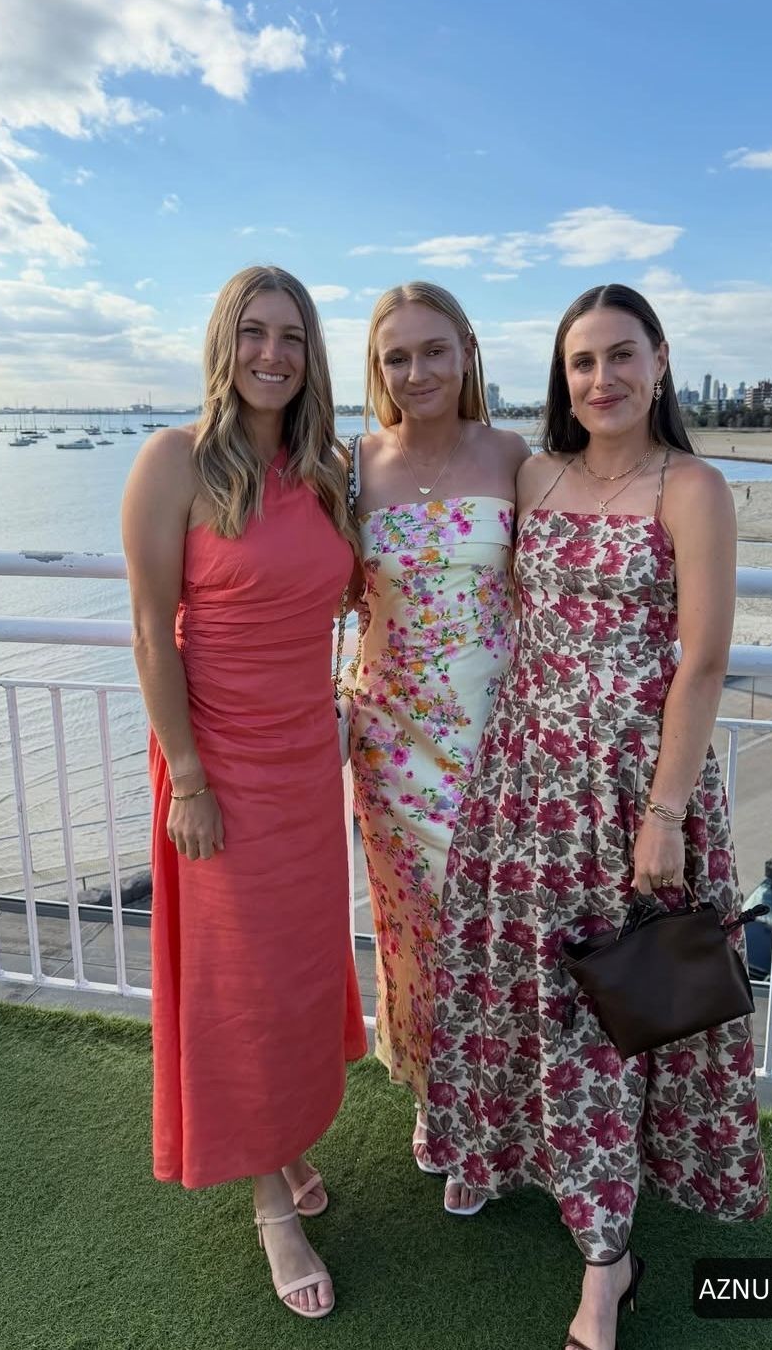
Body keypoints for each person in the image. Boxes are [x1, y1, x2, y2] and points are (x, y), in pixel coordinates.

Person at [426, 284, 768, 1350]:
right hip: (524, 781)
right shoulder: (535, 473)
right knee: (525, 991)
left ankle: (606, 1261)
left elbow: (702, 662)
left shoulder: (693, 487)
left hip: (631, 790)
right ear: (561, 377)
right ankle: (507, 1155)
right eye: (583, 361)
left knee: (614, 1010)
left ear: (661, 362)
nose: (603, 378)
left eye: (623, 355)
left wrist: (664, 814)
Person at [122, 266, 366, 1321]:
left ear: (312, 356)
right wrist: (187, 778)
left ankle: (287, 1141)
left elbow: (355, 598)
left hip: (307, 759)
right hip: (215, 764)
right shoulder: (172, 461)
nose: (274, 353)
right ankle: (271, 1202)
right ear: (225, 343)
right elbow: (150, 631)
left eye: (293, 337)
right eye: (255, 333)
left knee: (299, 968)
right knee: (242, 981)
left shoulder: (326, 471)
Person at [347, 281, 528, 1208]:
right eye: (396, 356)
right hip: (388, 740)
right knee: (415, 933)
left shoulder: (514, 454)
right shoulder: (352, 464)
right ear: (377, 369)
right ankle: (436, 1100)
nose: (416, 371)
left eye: (433, 350)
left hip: (497, 739)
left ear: (467, 352)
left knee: (492, 934)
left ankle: (494, 1112)